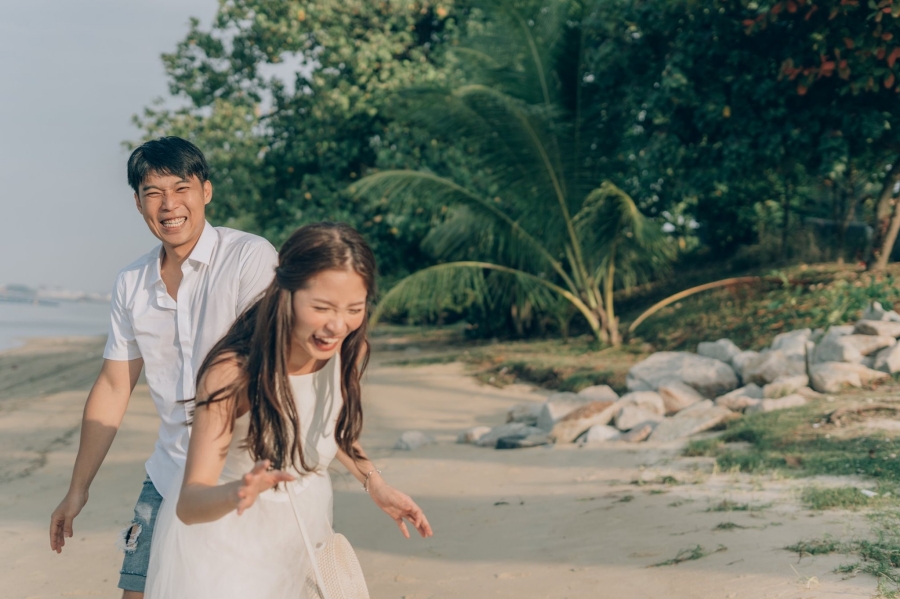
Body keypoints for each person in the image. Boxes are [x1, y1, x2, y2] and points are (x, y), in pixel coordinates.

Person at [144, 222, 432, 599]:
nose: (337, 324)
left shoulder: (347, 350)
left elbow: (325, 424)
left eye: (354, 309)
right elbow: (190, 502)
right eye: (322, 307)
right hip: (226, 547)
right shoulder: (232, 373)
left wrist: (374, 482)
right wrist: (238, 493)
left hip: (302, 530)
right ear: (286, 293)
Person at [49, 137, 279, 598]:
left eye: (181, 188)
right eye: (153, 193)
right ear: (138, 203)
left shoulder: (249, 258)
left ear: (206, 191)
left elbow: (263, 366)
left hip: (245, 472)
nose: (169, 205)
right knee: (137, 591)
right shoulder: (131, 282)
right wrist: (78, 488)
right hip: (168, 473)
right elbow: (115, 386)